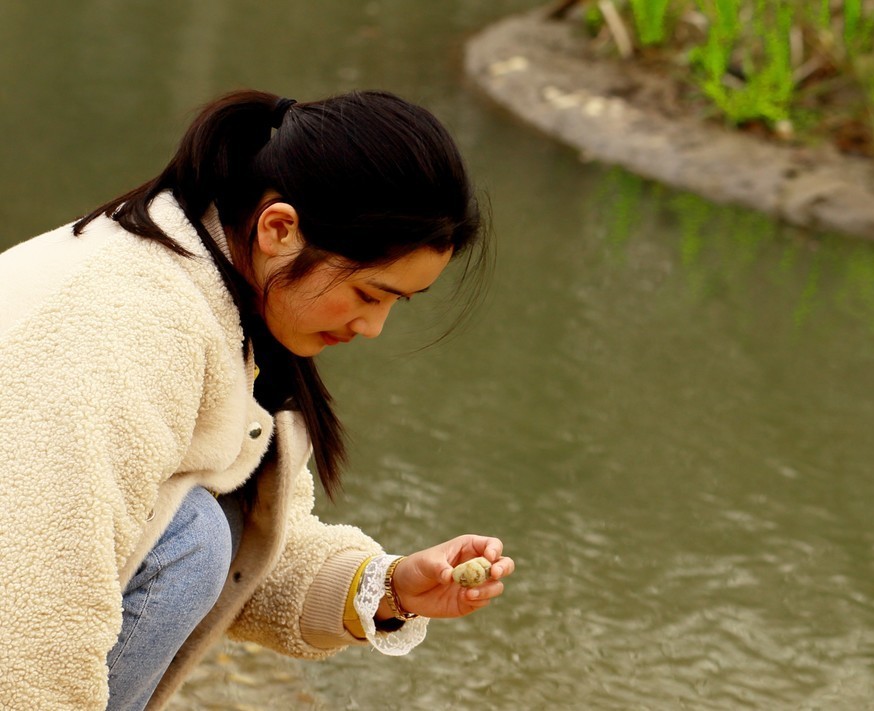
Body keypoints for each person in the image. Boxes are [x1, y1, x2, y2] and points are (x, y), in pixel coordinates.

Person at [0, 89, 514, 710]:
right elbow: (37, 601)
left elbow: (260, 550)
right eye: (370, 294)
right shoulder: (131, 323)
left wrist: (390, 590)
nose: (373, 327)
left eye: (396, 303)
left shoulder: (223, 299)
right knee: (192, 537)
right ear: (279, 228)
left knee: (202, 534)